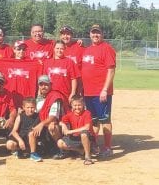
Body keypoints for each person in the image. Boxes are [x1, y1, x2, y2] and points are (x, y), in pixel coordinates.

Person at [82, 24, 116, 158]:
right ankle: (95, 145)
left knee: (105, 120)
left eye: (98, 33)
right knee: (94, 120)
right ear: (89, 34)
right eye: (93, 32)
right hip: (88, 92)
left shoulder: (106, 48)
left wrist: (105, 90)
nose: (95, 35)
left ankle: (107, 147)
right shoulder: (87, 49)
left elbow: (111, 70)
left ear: (102, 34)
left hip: (100, 92)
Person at [0, 40, 43, 109]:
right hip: (10, 97)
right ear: (14, 50)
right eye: (19, 49)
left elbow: (40, 69)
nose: (21, 51)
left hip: (25, 98)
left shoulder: (32, 63)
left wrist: (38, 62)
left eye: (23, 49)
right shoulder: (6, 62)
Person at [43, 40, 80, 111]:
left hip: (65, 93)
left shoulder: (69, 62)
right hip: (51, 94)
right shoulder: (47, 62)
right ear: (53, 49)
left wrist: (73, 93)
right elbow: (44, 79)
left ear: (65, 49)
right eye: (57, 48)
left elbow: (74, 79)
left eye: (61, 48)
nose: (59, 50)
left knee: (64, 114)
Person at [57, 95, 95, 165]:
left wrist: (70, 131)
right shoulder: (70, 114)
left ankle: (87, 156)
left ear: (83, 104)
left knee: (83, 133)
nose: (77, 107)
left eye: (79, 105)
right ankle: (81, 150)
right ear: (71, 105)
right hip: (76, 138)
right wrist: (63, 125)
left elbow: (87, 127)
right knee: (60, 143)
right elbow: (60, 121)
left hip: (88, 138)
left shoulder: (87, 113)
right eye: (75, 105)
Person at [35, 75, 65, 159]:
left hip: (56, 124)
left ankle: (61, 149)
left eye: (46, 84)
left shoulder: (55, 96)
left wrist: (41, 124)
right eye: (41, 85)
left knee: (52, 126)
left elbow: (53, 117)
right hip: (43, 124)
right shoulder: (38, 98)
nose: (43, 87)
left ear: (51, 85)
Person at [6, 97, 43, 162]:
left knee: (32, 133)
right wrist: (20, 140)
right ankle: (18, 150)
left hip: (32, 139)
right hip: (22, 138)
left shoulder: (38, 116)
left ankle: (33, 154)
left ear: (35, 107)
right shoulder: (20, 116)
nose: (30, 110)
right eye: (28, 107)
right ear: (23, 107)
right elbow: (14, 131)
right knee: (9, 144)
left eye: (32, 107)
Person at [59, 25, 85, 95]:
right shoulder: (58, 48)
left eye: (68, 34)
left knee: (77, 105)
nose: (65, 36)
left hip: (78, 84)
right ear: (60, 36)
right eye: (63, 34)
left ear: (72, 35)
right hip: (64, 84)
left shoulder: (79, 47)